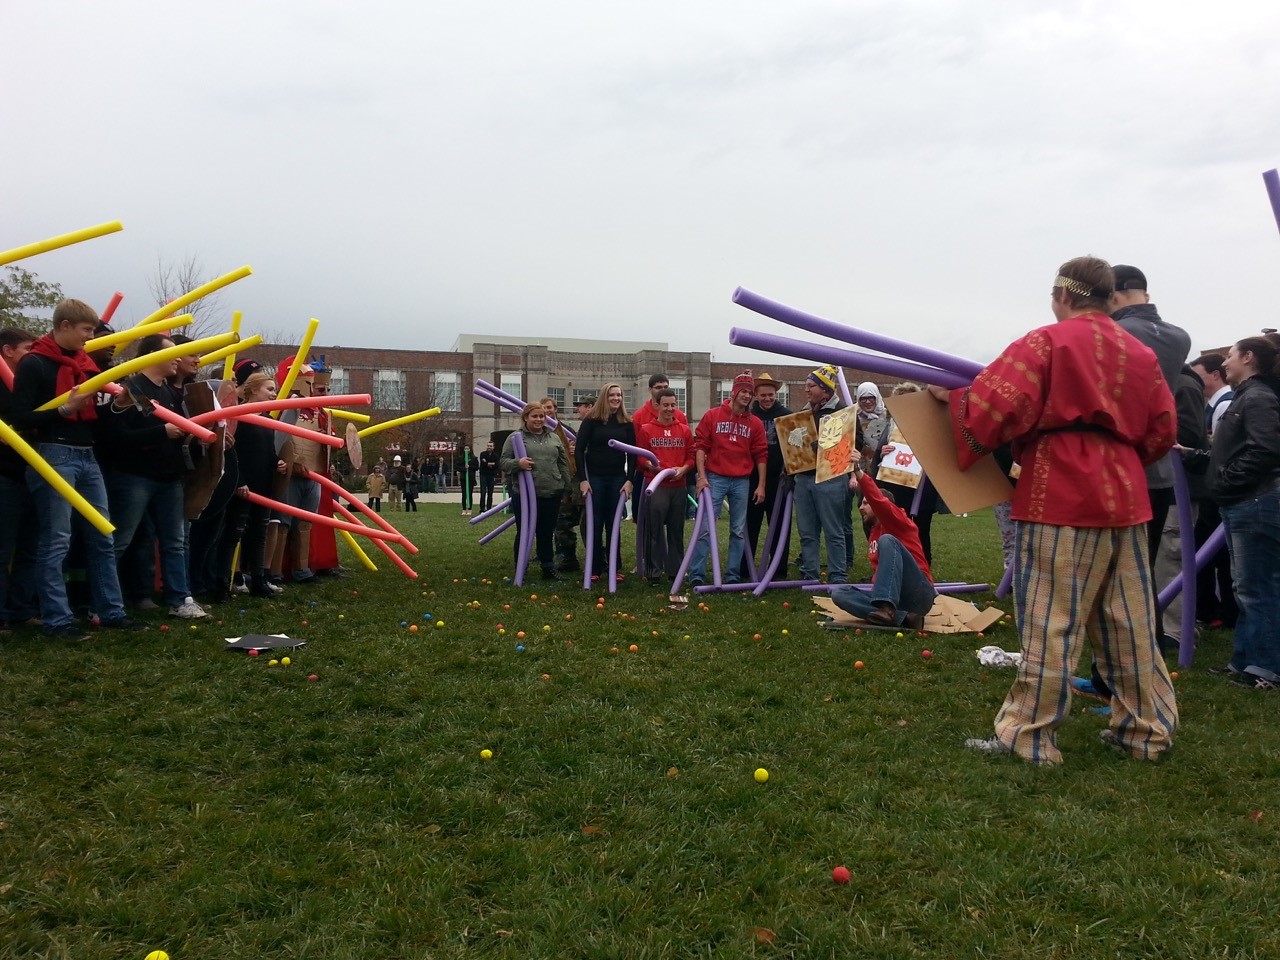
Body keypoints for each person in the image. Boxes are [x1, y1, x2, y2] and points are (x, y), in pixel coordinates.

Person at [934, 256, 1178, 766]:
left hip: (1060, 488)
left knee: (1051, 618)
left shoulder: (1046, 342)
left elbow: (994, 410)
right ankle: (1146, 731)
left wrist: (955, 399)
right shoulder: (1139, 352)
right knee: (1130, 620)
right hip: (1127, 494)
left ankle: (1028, 737)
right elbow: (1161, 433)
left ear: (1062, 294)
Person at [10, 300, 137, 639]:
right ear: (64, 325)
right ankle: (56, 619)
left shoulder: (84, 366)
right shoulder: (34, 364)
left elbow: (96, 419)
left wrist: (118, 408)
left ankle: (111, 611)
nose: (89, 338)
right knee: (56, 540)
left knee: (102, 534)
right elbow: (19, 417)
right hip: (52, 454)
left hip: (86, 455)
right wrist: (65, 409)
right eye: (85, 331)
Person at [1200, 337, 1280, 688]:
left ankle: (1264, 669)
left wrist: (1228, 482)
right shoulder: (1247, 396)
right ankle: (1244, 661)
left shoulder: (1258, 397)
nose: (1226, 362)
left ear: (1248, 357)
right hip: (1242, 502)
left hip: (1254, 503)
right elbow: (1235, 452)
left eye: (1231, 356)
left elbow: (1265, 450)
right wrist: (1194, 454)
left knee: (1258, 588)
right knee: (1244, 586)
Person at [831, 460, 934, 629]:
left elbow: (878, 499)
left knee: (887, 541)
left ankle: (887, 609)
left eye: (865, 503)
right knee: (839, 594)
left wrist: (857, 471)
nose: (861, 508)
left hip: (919, 594)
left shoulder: (899, 521)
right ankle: (905, 618)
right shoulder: (873, 534)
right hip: (898, 601)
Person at [688, 372, 767, 586]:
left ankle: (732, 575)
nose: (747, 396)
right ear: (734, 392)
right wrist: (701, 477)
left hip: (742, 481)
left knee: (738, 530)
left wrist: (761, 485)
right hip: (715, 478)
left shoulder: (755, 423)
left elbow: (761, 454)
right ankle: (697, 574)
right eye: (743, 391)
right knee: (705, 526)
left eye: (750, 393)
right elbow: (700, 447)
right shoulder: (713, 415)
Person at [792, 364, 855, 585]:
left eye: (811, 386)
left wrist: (820, 445)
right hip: (804, 478)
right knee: (807, 531)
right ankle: (810, 572)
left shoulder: (842, 411)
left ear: (824, 389)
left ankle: (837, 575)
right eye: (806, 385)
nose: (806, 390)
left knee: (833, 530)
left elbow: (857, 442)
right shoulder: (804, 412)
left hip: (831, 479)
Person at [1189, 353, 1237, 628]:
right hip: (1218, 488)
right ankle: (1218, 610)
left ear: (1214, 374)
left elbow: (1220, 451)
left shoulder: (1223, 406)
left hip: (1218, 490)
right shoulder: (1215, 404)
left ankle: (1217, 611)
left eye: (1200, 375)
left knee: (1214, 554)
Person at [500, 402, 570, 581]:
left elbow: (563, 463)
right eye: (535, 416)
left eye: (541, 416)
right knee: (524, 531)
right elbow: (504, 462)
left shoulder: (554, 438)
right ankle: (520, 568)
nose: (539, 420)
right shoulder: (516, 437)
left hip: (551, 492)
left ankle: (548, 567)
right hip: (524, 494)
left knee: (546, 532)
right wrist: (518, 463)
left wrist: (567, 487)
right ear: (526, 418)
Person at [0, 326, 40, 633]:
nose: (33, 354)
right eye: (28, 348)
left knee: (30, 547)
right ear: (8, 351)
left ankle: (21, 610)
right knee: (3, 548)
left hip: (35, 475)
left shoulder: (31, 384)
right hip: (5, 476)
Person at [574, 384, 635, 581]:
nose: (616, 398)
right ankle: (594, 568)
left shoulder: (626, 423)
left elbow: (633, 454)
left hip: (617, 478)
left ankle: (614, 567)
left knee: (613, 523)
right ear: (604, 397)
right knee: (595, 523)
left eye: (619, 395)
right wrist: (583, 480)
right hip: (595, 479)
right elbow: (579, 450)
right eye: (612, 395)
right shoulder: (592, 421)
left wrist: (629, 480)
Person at [635, 388, 695, 586]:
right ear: (657, 405)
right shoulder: (646, 429)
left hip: (679, 485)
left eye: (673, 405)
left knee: (676, 530)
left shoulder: (684, 430)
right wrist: (650, 465)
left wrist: (684, 469)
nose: (670, 409)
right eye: (666, 405)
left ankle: (675, 571)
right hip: (657, 485)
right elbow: (640, 457)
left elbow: (691, 456)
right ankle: (653, 571)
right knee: (654, 530)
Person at [740, 373, 791, 581]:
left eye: (770, 395)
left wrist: (788, 468)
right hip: (752, 478)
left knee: (779, 525)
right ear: (756, 396)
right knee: (750, 524)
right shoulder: (749, 415)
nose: (767, 399)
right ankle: (745, 569)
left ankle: (778, 570)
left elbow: (795, 447)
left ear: (775, 394)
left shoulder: (786, 416)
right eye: (763, 395)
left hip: (779, 479)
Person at [477, 440, 499, 512]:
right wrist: (490, 464)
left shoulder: (495, 455)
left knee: (490, 493)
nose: (489, 447)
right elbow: (483, 463)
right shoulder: (482, 454)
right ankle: (482, 508)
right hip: (483, 475)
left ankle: (489, 509)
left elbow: (497, 465)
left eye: (491, 446)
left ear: (493, 447)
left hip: (491, 476)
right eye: (488, 446)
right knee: (483, 493)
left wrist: (487, 463)